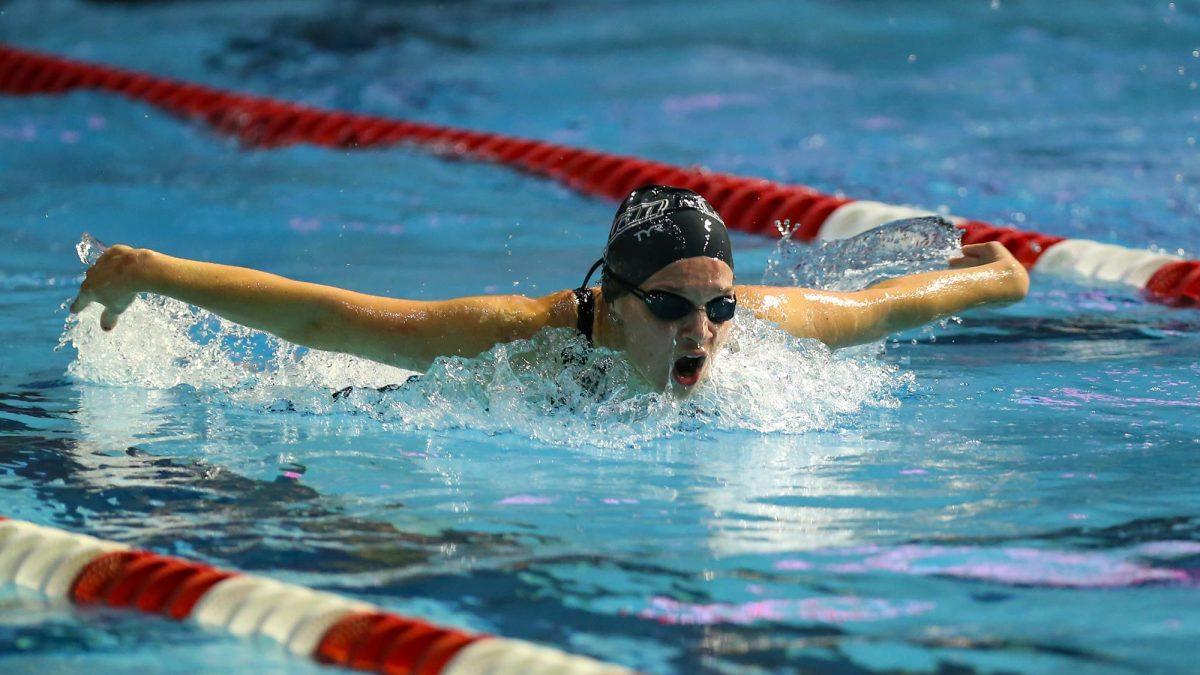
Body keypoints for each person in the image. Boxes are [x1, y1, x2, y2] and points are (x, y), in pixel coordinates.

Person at [69, 185, 1029, 395]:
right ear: (611, 302)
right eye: (672, 305)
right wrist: (155, 274)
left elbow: (895, 305)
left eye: (720, 306)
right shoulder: (515, 339)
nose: (705, 331)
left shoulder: (768, 330)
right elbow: (329, 316)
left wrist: (995, 276)